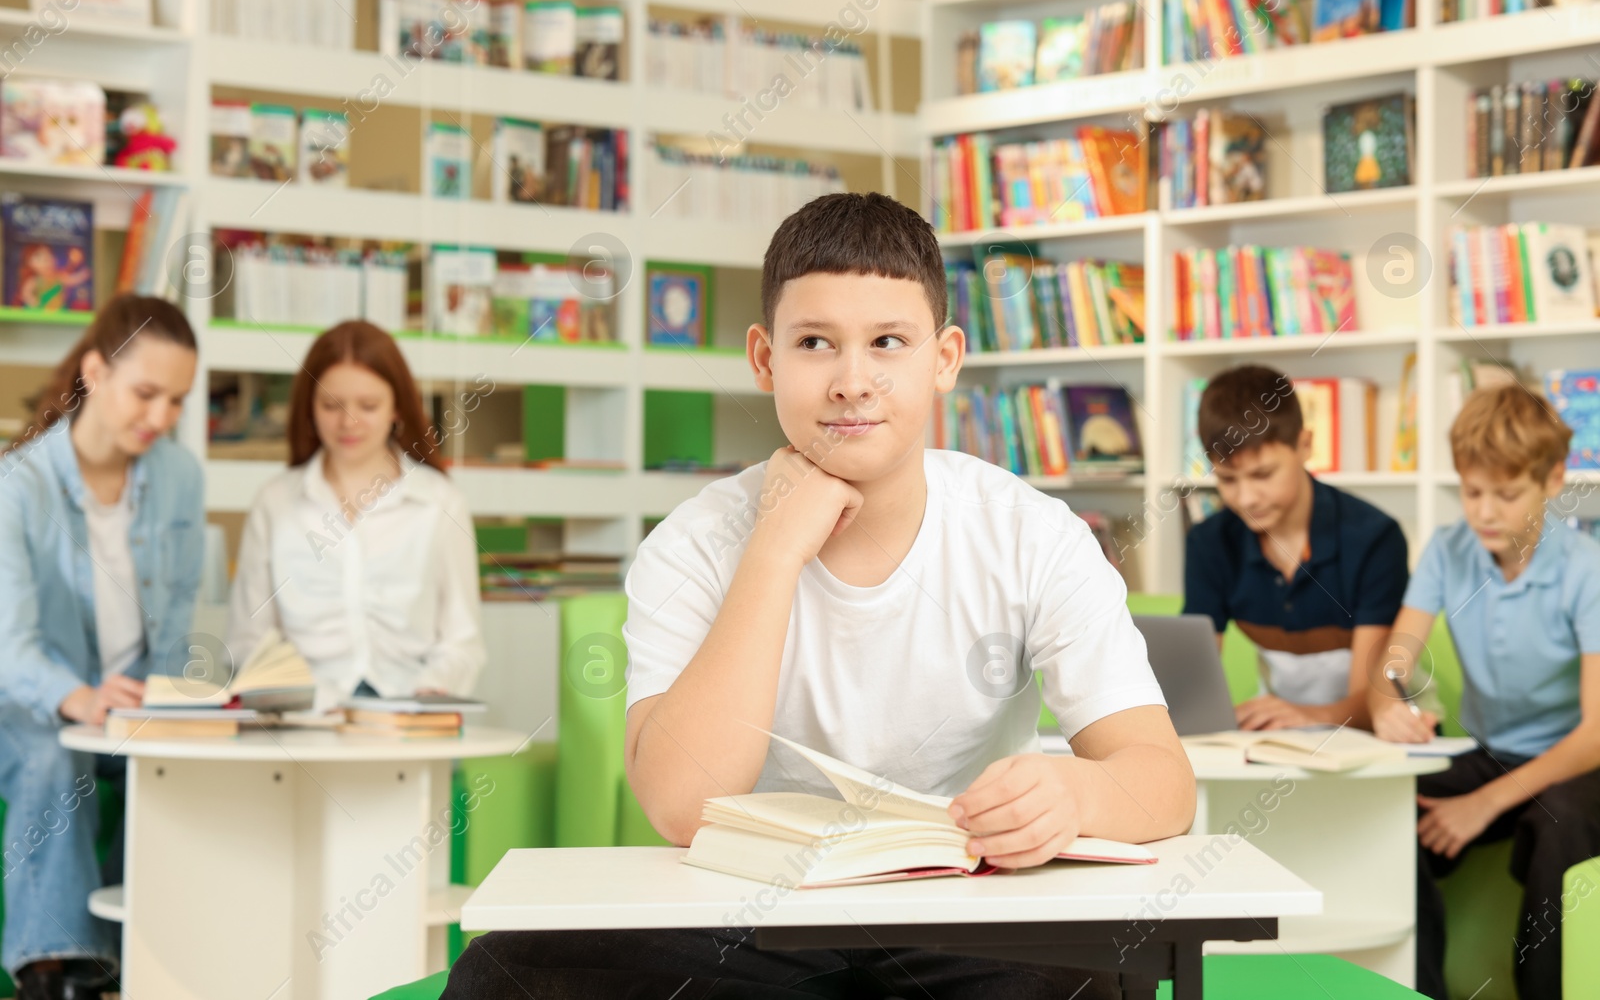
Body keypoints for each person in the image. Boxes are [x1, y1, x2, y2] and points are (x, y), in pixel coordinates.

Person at [443, 192, 1195, 998]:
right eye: (815, 343)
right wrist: (774, 548)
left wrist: (1075, 793)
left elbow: (1164, 780)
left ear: (943, 359)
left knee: (1099, 981)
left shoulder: (1032, 532)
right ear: (764, 357)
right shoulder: (692, 542)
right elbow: (682, 805)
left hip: (968, 908)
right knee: (506, 973)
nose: (851, 381)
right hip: (748, 917)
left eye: (887, 343)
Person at [0, 296, 202, 1000]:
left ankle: (146, 954)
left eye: (177, 399)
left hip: (130, 703)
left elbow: (175, 623)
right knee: (55, 749)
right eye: (147, 392)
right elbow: (10, 647)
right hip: (34, 706)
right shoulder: (18, 485)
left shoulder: (179, 476)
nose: (162, 416)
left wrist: (170, 699)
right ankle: (57, 973)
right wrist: (80, 696)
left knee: (179, 759)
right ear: (95, 370)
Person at [1369, 384, 1600, 1000]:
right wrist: (1387, 701)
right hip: (1489, 750)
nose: (1486, 513)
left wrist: (1485, 804)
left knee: (1565, 827)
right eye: (1472, 492)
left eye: (1507, 493)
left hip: (1576, 761)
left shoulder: (1586, 570)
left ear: (1553, 480)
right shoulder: (1447, 551)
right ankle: (1415, 990)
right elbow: (1395, 658)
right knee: (1381, 804)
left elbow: (1595, 736)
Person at [225, 320, 483, 703]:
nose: (348, 422)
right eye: (331, 405)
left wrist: (429, 693)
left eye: (369, 405)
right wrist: (297, 695)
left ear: (397, 407)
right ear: (309, 407)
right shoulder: (276, 502)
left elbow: (462, 641)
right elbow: (249, 639)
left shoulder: (440, 502)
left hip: (410, 714)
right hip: (305, 716)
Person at [1183, 365, 1409, 730]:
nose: (1246, 498)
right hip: (1278, 740)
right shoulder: (1209, 543)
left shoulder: (1374, 539)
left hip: (1372, 741)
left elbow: (1374, 703)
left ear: (1305, 446)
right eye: (1227, 479)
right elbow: (1191, 687)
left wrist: (1307, 717)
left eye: (1263, 474)